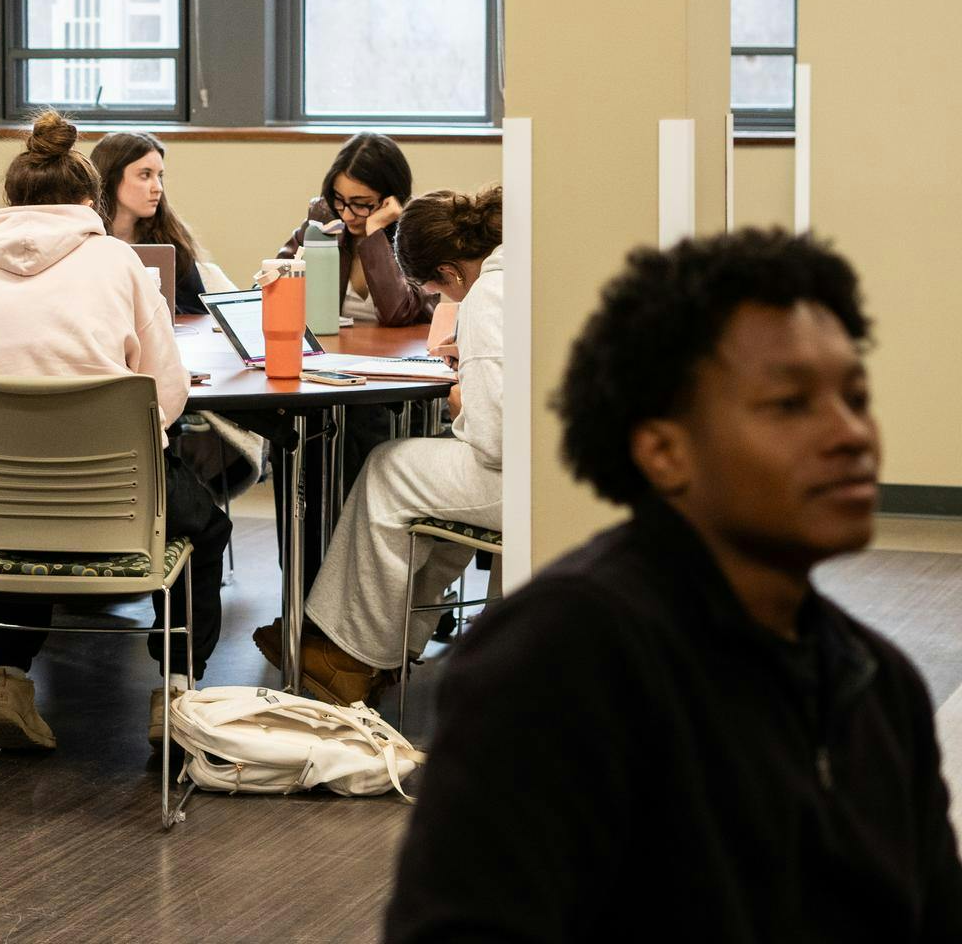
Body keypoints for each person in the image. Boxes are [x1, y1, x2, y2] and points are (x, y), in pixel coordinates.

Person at [385, 230, 962, 944]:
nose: (851, 434)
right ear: (663, 449)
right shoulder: (554, 666)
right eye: (789, 404)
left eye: (856, 396)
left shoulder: (879, 684)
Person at [0, 111, 233, 752]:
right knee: (206, 526)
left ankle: (8, 680)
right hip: (116, 496)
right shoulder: (119, 262)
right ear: (89, 199)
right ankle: (178, 689)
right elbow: (168, 391)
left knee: (28, 509)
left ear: (13, 199)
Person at [273, 187, 503, 705]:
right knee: (434, 516)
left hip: (522, 473)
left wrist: (461, 396)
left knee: (388, 470)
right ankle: (381, 651)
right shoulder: (525, 267)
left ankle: (353, 655)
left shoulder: (488, 294)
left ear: (449, 273)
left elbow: (493, 435)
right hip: (562, 463)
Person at [278, 133, 435, 329]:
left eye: (361, 204)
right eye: (339, 200)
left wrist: (374, 234)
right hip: (338, 352)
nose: (347, 215)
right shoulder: (324, 219)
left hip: (401, 354)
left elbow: (397, 313)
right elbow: (275, 286)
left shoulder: (416, 230)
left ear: (391, 198)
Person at [92, 130, 213, 314]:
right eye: (145, 175)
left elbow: (197, 312)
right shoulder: (84, 239)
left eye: (160, 176)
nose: (157, 188)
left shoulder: (169, 237)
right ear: (111, 178)